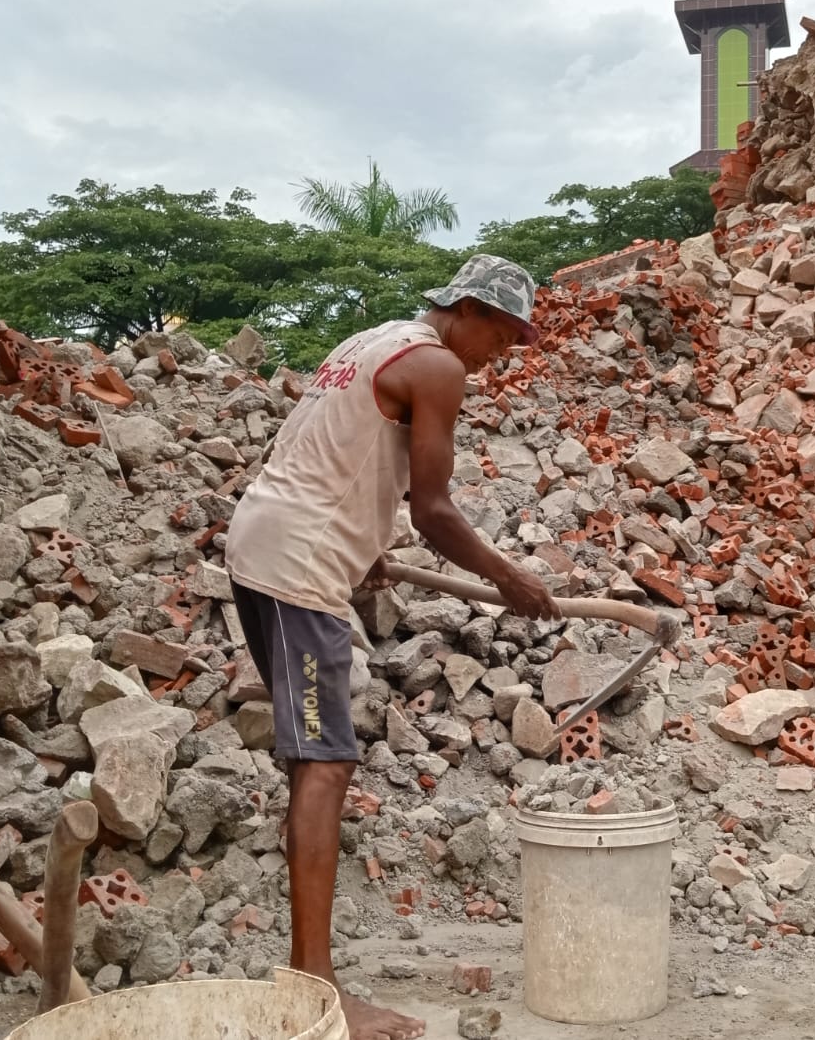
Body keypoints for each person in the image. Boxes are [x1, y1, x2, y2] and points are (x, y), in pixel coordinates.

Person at [225, 254, 560, 1040]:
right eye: (503, 336)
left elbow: (330, 451)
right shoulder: (441, 366)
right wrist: (509, 577)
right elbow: (436, 510)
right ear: (469, 309)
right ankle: (317, 991)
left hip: (260, 539)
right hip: (299, 565)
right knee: (327, 763)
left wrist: (366, 544)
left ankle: (309, 976)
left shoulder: (373, 341)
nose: (500, 355)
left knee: (313, 760)